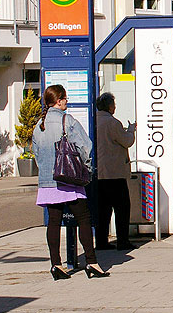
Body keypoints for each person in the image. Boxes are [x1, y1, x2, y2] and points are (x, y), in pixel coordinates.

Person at [32, 84, 109, 280]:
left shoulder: (39, 125)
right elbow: (85, 147)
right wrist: (88, 170)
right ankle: (92, 263)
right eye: (65, 98)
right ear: (58, 100)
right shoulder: (68, 121)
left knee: (54, 222)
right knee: (83, 218)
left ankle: (56, 265)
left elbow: (36, 153)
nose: (67, 101)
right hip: (69, 179)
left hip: (48, 181)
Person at [94, 92, 136, 251]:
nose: (115, 107)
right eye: (114, 104)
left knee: (102, 210)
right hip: (114, 172)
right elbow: (126, 141)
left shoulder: (94, 120)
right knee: (122, 207)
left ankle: (101, 241)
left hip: (99, 173)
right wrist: (131, 130)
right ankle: (123, 241)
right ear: (110, 106)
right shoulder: (113, 123)